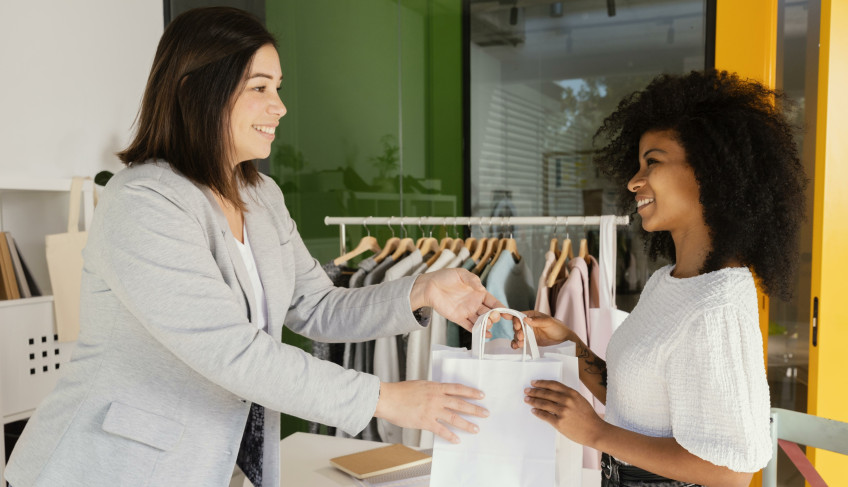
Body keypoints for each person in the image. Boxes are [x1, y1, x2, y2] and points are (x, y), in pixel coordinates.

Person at [5, 7, 503, 487]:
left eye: (278, 88)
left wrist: (420, 290)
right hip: (112, 469)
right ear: (196, 91)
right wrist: (386, 398)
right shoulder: (142, 204)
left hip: (219, 466)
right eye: (259, 88)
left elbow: (317, 306)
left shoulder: (261, 197)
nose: (280, 106)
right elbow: (233, 352)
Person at [515, 70, 807, 486]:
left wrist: (594, 432)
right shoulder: (667, 283)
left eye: (652, 162)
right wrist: (570, 343)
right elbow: (638, 401)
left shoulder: (717, 308)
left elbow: (731, 472)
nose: (634, 181)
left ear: (711, 171)